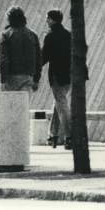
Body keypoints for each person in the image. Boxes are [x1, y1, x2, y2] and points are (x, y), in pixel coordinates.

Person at [40, 9, 72, 150]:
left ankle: (69, 137)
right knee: (59, 102)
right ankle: (53, 135)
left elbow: (44, 57)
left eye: (47, 18)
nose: (46, 20)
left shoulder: (50, 36)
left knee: (62, 105)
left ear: (53, 20)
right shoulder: (69, 35)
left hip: (56, 76)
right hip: (69, 75)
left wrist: (35, 69)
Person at [0, 6, 41, 92]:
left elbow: (3, 60)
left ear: (9, 19)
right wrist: (36, 80)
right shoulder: (33, 35)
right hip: (28, 77)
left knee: (11, 101)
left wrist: (3, 80)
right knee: (25, 100)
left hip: (11, 78)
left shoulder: (5, 35)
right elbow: (38, 59)